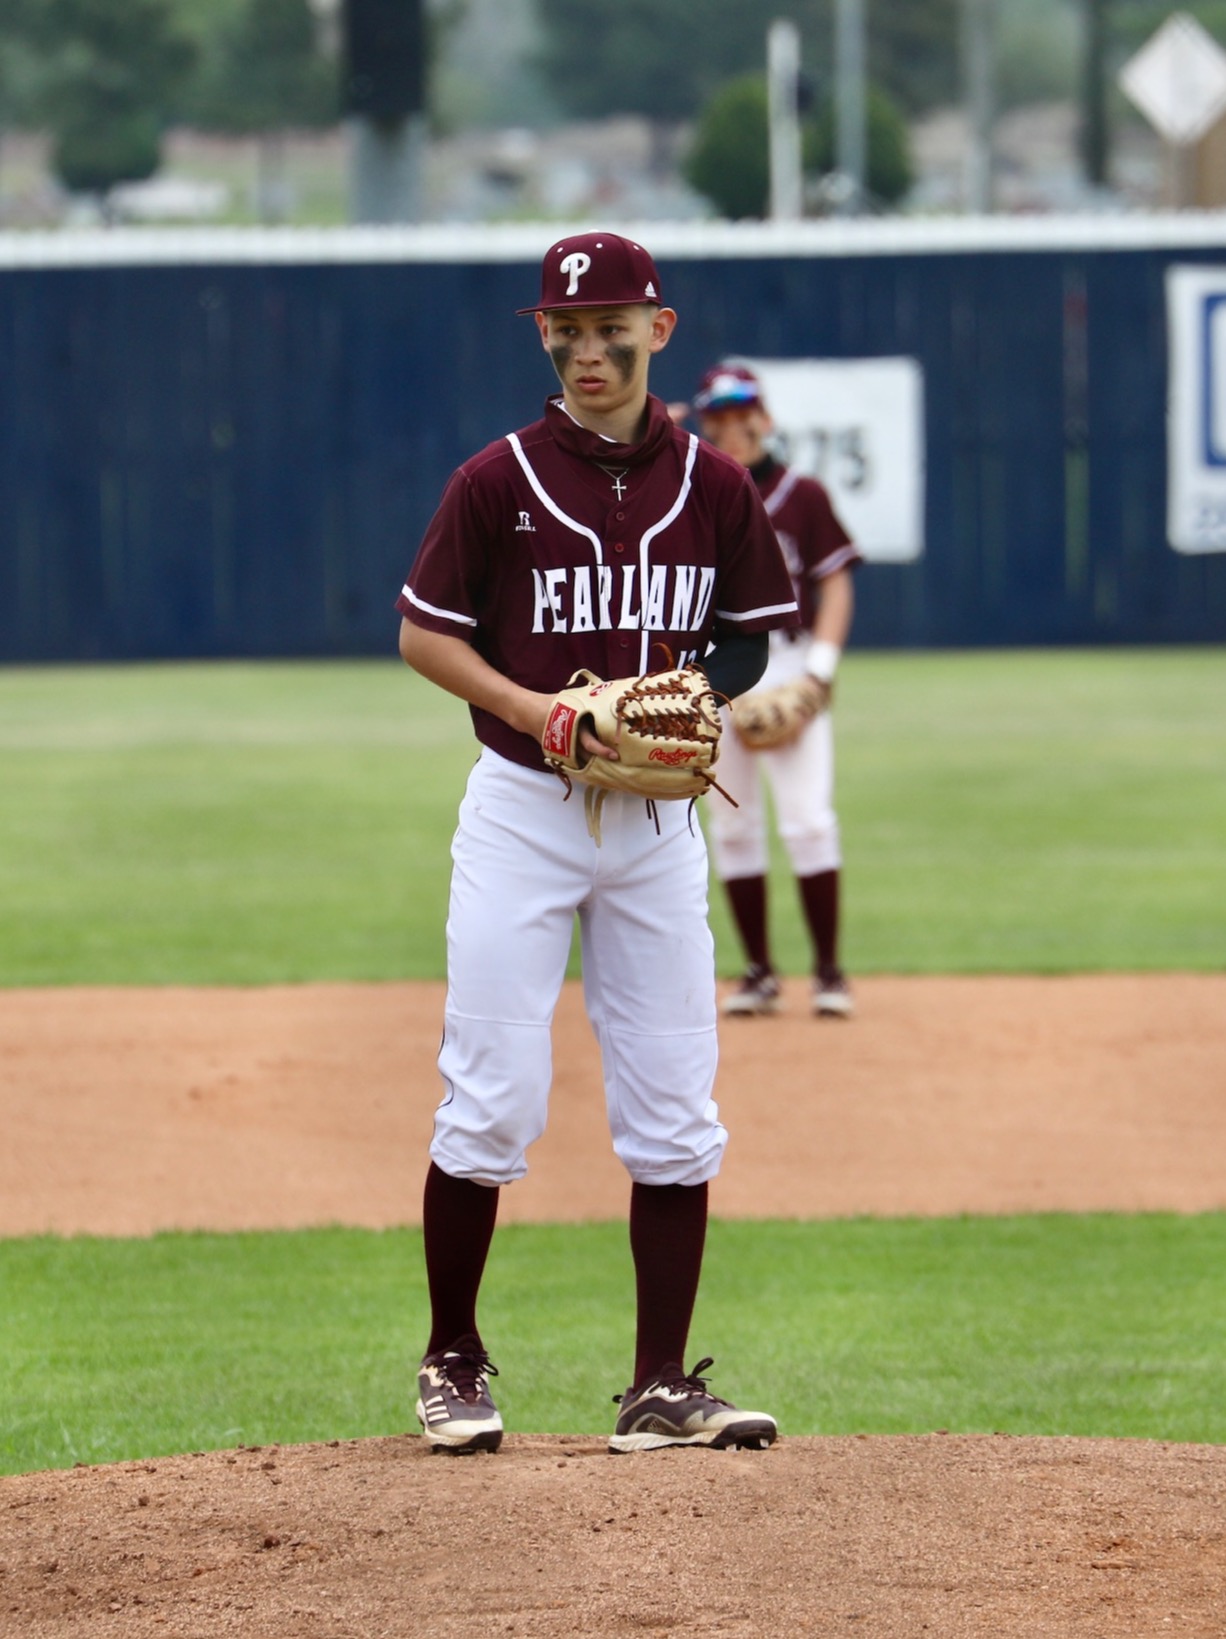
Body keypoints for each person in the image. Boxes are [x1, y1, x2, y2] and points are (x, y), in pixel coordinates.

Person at [395, 233, 799, 1455]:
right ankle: (451, 1358)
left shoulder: (714, 486)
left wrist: (683, 697)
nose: (587, 351)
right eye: (564, 331)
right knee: (491, 1095)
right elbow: (425, 635)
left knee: (675, 1103)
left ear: (656, 331)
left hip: (656, 823)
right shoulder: (497, 478)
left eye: (610, 329)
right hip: (523, 810)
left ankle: (658, 1387)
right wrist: (539, 712)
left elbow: (748, 636)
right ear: (542, 336)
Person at [691, 363, 863, 1020]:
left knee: (809, 820)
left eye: (743, 413)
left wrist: (818, 673)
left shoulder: (801, 494)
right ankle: (759, 973)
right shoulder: (693, 496)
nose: (733, 426)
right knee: (732, 827)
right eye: (719, 416)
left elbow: (835, 585)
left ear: (764, 418)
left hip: (789, 663)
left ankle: (829, 972)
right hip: (715, 672)